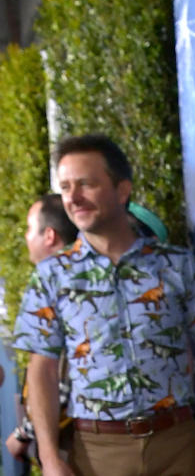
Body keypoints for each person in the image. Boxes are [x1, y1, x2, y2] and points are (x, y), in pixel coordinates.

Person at [12, 134, 195, 476]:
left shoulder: (177, 264)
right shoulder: (51, 275)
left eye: (86, 184)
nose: (73, 197)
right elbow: (42, 370)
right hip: (96, 454)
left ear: (122, 190)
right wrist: (50, 459)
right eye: (65, 187)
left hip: (179, 446)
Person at [6, 194, 77, 472]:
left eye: (28, 228)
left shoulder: (67, 286)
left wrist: (25, 432)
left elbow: (63, 378)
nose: (24, 237)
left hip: (75, 443)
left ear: (49, 235)